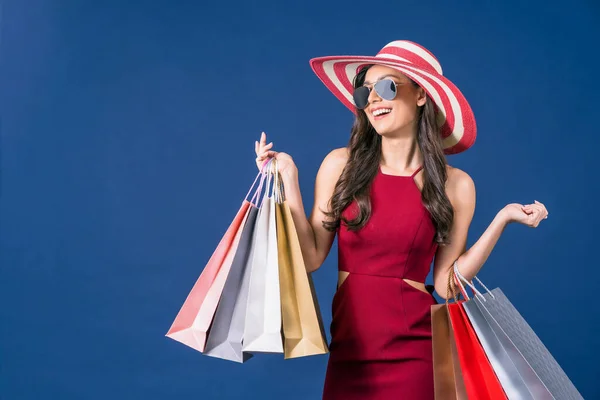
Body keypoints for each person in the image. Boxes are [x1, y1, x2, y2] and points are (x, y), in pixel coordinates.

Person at [254, 40, 548, 399]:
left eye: (387, 87)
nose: (373, 99)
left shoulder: (457, 185)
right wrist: (289, 180)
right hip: (349, 346)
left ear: (421, 95)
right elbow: (312, 256)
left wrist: (501, 219)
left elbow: (445, 286)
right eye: (365, 93)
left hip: (415, 351)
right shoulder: (339, 165)